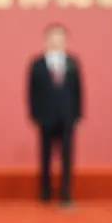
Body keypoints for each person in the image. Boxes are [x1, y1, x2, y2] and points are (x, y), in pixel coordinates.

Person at [28, 23, 83, 205]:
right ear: (46, 39)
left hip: (67, 116)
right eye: (53, 37)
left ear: (65, 40)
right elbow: (32, 91)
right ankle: (45, 192)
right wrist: (34, 114)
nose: (56, 40)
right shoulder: (37, 64)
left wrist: (78, 114)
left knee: (67, 156)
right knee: (45, 155)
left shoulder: (72, 62)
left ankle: (66, 192)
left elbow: (78, 90)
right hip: (45, 117)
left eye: (60, 37)